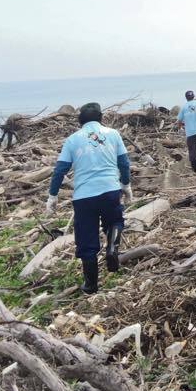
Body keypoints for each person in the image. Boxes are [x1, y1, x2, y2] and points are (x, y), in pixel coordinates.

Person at [46, 102, 133, 295]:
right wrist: (126, 185)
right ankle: (112, 248)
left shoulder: (72, 140)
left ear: (80, 121)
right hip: (110, 190)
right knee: (115, 222)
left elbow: (60, 170)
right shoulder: (113, 134)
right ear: (101, 118)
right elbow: (124, 163)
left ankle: (91, 285)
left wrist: (52, 196)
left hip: (84, 197)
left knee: (86, 240)